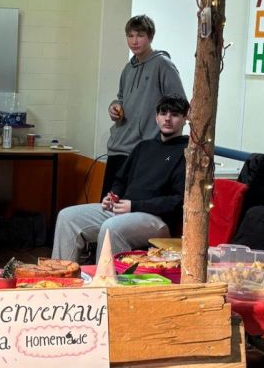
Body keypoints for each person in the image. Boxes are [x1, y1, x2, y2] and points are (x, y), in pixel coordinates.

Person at [52, 95, 189, 263]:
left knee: (111, 228)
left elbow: (177, 201)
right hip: (124, 211)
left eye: (174, 114)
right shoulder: (143, 147)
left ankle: (106, 278)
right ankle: (61, 273)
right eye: (163, 113)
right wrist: (113, 196)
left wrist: (134, 206)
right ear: (156, 117)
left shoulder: (186, 152)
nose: (167, 118)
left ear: (185, 118)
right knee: (67, 217)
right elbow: (120, 180)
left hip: (157, 220)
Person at [102, 15, 186, 197]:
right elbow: (121, 98)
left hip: (142, 149)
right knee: (107, 205)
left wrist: (161, 137)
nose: (134, 41)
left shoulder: (163, 65)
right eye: (130, 36)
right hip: (118, 146)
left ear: (150, 37)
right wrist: (115, 107)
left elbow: (179, 102)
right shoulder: (128, 68)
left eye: (140, 35)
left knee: (126, 207)